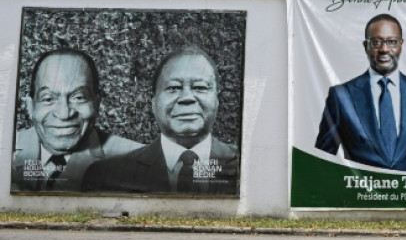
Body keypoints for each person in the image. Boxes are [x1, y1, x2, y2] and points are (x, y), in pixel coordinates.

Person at [82, 46, 239, 194]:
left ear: (217, 100)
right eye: (173, 88)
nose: (187, 98)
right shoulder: (107, 175)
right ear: (154, 103)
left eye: (200, 87)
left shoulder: (245, 166)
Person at [316, 13, 406, 173]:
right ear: (366, 46)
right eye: (376, 42)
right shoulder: (341, 96)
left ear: (401, 45)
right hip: (361, 196)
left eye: (391, 42)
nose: (384, 49)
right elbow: (321, 163)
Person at [12, 48, 143, 192]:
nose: (64, 114)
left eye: (79, 97)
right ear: (30, 107)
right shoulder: (6, 149)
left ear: (97, 103)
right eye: (48, 98)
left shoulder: (138, 161)